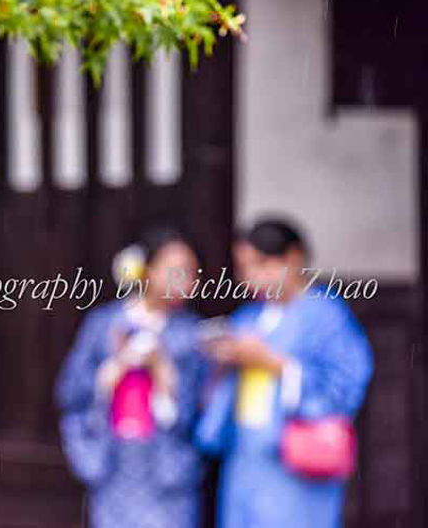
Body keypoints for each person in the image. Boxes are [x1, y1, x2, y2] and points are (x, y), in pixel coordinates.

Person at [196, 218, 374, 528]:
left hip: (298, 464)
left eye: (261, 264)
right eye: (243, 268)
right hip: (246, 460)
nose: (251, 277)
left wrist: (276, 365)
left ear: (293, 257)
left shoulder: (326, 315)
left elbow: (346, 384)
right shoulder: (248, 318)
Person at [55, 227, 208, 528]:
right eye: (176, 270)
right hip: (113, 460)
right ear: (146, 270)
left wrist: (164, 373)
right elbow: (70, 391)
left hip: (168, 466)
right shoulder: (104, 324)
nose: (187, 281)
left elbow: (201, 410)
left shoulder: (193, 334)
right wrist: (111, 371)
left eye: (192, 272)